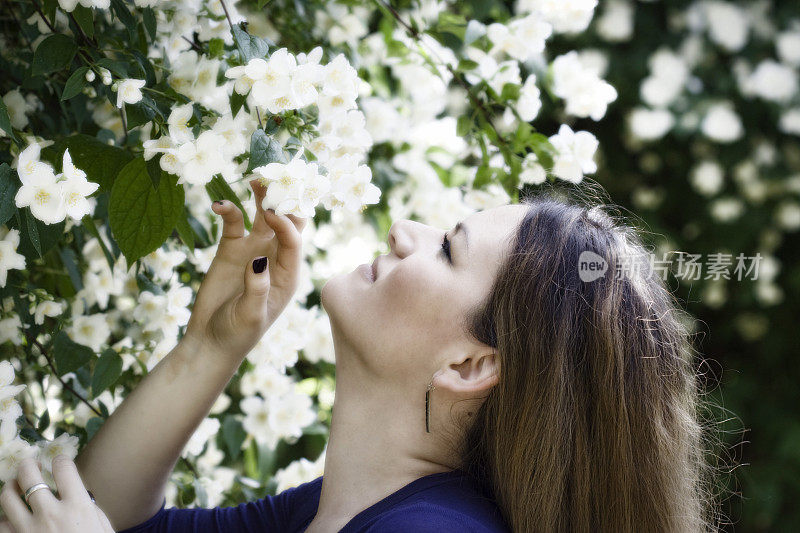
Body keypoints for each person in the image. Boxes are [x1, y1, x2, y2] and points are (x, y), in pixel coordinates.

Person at [5, 181, 717, 532]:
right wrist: (211, 345)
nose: (407, 229)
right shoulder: (337, 509)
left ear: (470, 366)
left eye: (447, 249)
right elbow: (103, 512)